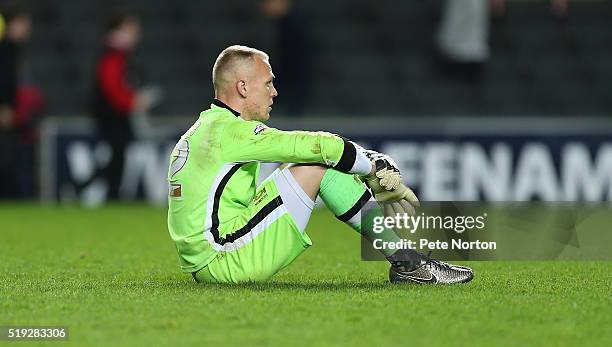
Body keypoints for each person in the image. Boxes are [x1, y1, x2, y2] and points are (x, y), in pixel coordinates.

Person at [167, 45, 474, 284]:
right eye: (268, 83)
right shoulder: (231, 132)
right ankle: (410, 264)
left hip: (207, 258)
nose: (274, 92)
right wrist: (373, 166)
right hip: (225, 259)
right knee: (317, 164)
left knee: (309, 164)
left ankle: (407, 261)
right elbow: (317, 147)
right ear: (243, 87)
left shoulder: (203, 128)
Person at [85, 9, 158, 200]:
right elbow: (111, 85)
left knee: (118, 154)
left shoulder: (116, 52)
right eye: (132, 27)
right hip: (112, 113)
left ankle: (107, 192)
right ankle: (99, 190)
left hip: (112, 112)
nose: (136, 31)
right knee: (118, 154)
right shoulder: (114, 53)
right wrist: (131, 102)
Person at [0, 4, 32, 198]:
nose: (27, 27)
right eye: (23, 23)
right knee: (5, 161)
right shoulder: (5, 51)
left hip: (12, 113)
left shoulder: (14, 50)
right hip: (4, 112)